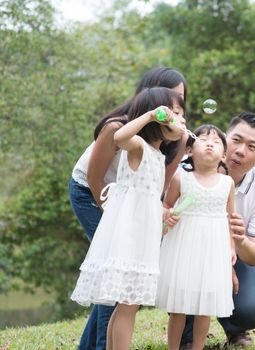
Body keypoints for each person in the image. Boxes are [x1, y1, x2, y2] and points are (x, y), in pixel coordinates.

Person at [69, 67, 187, 350]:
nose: (180, 117)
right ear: (153, 103)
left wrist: (159, 214)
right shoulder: (122, 132)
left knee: (123, 295)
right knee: (117, 285)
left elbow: (158, 189)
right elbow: (97, 180)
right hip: (95, 194)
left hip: (137, 217)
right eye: (172, 108)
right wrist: (117, 223)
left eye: (182, 106)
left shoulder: (162, 149)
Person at [180, 112, 255, 348]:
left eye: (251, 146)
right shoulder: (187, 170)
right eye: (236, 140)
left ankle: (236, 329)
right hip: (189, 249)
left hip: (236, 256)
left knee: (250, 309)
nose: (240, 151)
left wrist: (240, 240)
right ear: (225, 139)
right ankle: (187, 334)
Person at [156, 124, 236, 350]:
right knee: (179, 305)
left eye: (216, 141)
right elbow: (166, 204)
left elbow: (230, 218)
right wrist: (167, 214)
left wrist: (231, 247)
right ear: (190, 151)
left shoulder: (227, 183)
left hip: (213, 248)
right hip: (183, 246)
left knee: (205, 307)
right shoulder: (182, 178)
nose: (209, 143)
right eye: (202, 139)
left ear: (224, 155)